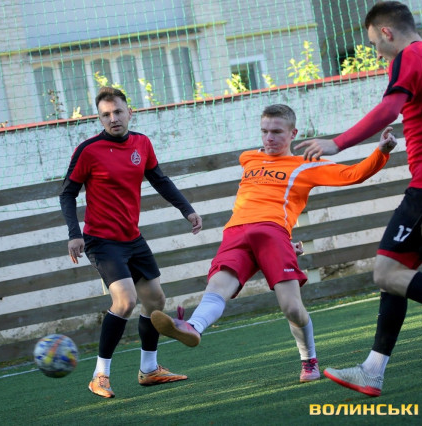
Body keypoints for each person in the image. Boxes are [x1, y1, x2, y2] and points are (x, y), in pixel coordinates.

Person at [296, 1, 422, 397]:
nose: (376, 53)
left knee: (385, 273)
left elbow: (390, 107)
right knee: (397, 275)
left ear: (386, 32)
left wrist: (338, 143)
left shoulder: (410, 57)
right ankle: (373, 371)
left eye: (374, 44)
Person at [151, 104, 397, 383]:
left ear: (293, 133)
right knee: (216, 287)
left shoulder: (306, 165)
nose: (269, 138)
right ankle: (193, 327)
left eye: (277, 132)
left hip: (272, 233)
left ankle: (309, 360)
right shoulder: (248, 158)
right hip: (235, 232)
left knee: (291, 308)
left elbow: (352, 174)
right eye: (265, 131)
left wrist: (381, 151)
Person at [59, 87, 203, 399]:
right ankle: (99, 376)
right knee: (125, 301)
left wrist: (187, 210)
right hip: (101, 240)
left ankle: (149, 370)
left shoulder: (142, 143)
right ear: (100, 119)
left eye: (118, 112)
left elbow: (160, 180)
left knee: (155, 300)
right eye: (106, 115)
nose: (113, 118)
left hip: (132, 238)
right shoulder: (88, 150)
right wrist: (74, 233)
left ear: (129, 112)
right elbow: (67, 193)